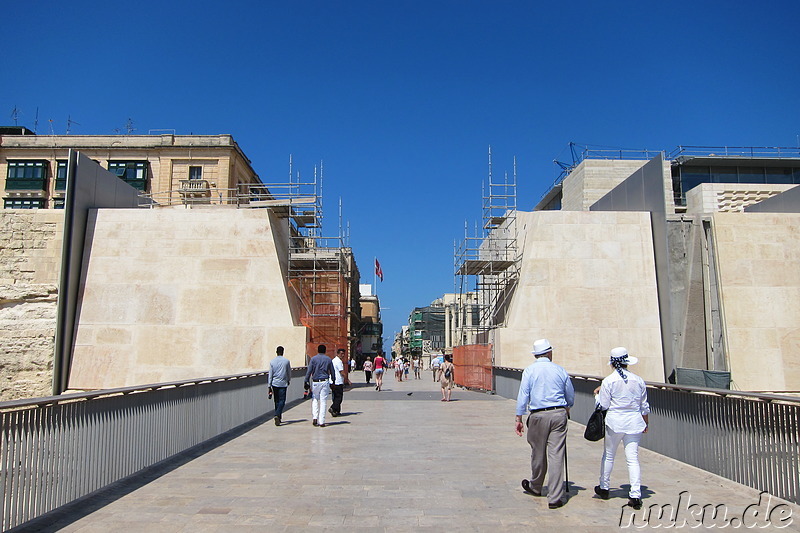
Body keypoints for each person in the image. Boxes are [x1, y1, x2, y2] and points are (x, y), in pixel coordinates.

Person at [515, 339, 574, 510]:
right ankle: (555, 497)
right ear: (549, 353)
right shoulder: (559, 370)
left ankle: (536, 485)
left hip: (538, 415)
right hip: (558, 413)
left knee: (538, 452)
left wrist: (519, 417)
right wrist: (567, 406)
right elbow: (569, 394)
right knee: (556, 454)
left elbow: (523, 395)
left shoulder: (530, 370)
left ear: (535, 354)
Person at [594, 347, 650, 510]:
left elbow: (603, 405)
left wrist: (597, 395)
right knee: (632, 458)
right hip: (634, 421)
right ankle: (635, 494)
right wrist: (645, 422)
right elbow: (644, 405)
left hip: (615, 422)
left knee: (609, 455)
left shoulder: (609, 381)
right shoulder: (638, 380)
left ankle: (604, 487)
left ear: (612, 363)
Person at [304, 344, 334, 427]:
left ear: (318, 350)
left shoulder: (313, 359)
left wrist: (306, 380)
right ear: (325, 351)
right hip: (325, 381)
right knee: (323, 401)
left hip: (315, 381)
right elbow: (332, 371)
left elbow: (309, 371)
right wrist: (334, 381)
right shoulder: (328, 359)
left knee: (315, 399)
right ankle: (322, 421)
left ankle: (314, 417)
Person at [267, 345, 291, 426]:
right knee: (282, 401)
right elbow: (289, 372)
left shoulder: (272, 362)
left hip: (274, 383)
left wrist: (269, 385)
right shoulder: (286, 361)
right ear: (283, 352)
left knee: (276, 401)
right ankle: (277, 414)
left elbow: (270, 374)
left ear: (276, 352)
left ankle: (278, 416)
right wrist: (288, 380)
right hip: (283, 383)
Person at [329, 348, 347, 417]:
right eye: (341, 354)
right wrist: (347, 379)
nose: (342, 355)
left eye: (343, 354)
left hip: (332, 381)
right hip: (338, 382)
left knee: (335, 397)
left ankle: (336, 411)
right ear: (338, 353)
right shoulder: (338, 361)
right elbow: (341, 371)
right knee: (339, 397)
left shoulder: (333, 360)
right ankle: (333, 408)